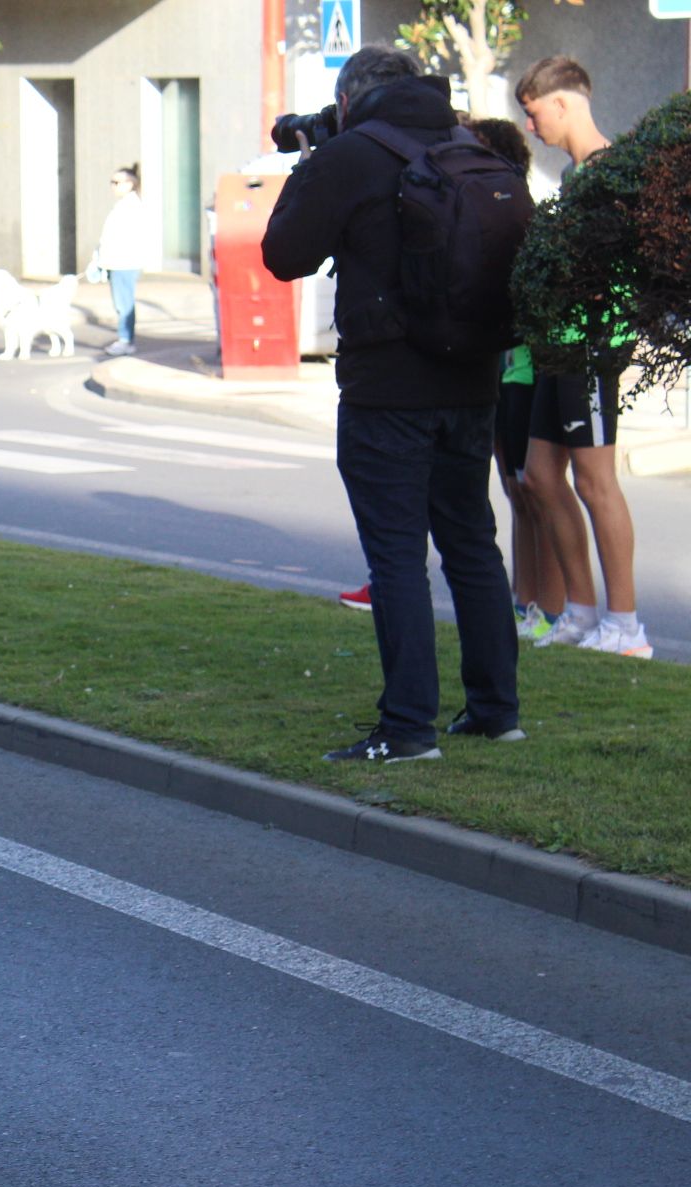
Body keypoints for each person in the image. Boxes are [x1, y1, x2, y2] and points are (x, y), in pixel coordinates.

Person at [262, 45, 520, 761]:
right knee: (471, 543)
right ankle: (497, 711)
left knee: (397, 558)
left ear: (350, 99)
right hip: (473, 379)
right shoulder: (468, 143)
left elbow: (284, 255)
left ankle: (409, 728)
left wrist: (313, 163)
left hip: (387, 389)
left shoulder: (352, 156)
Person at [514, 56, 651, 660]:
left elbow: (625, 273)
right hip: (558, 346)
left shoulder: (612, 173)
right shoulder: (575, 178)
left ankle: (626, 628)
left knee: (596, 482)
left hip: (592, 345)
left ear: (564, 103)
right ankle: (581, 611)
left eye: (533, 111)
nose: (530, 125)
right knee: (538, 477)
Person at [464, 114, 563, 642]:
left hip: (526, 366)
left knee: (535, 489)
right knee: (514, 490)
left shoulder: (520, 212)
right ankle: (525, 600)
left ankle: (551, 604)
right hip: (503, 368)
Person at [90, 164, 150, 357]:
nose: (113, 186)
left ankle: (126, 340)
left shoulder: (130, 207)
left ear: (130, 184)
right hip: (118, 261)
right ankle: (125, 339)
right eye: (112, 182)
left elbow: (120, 239)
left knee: (123, 303)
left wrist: (102, 259)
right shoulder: (125, 205)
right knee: (122, 302)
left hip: (124, 261)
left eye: (117, 182)